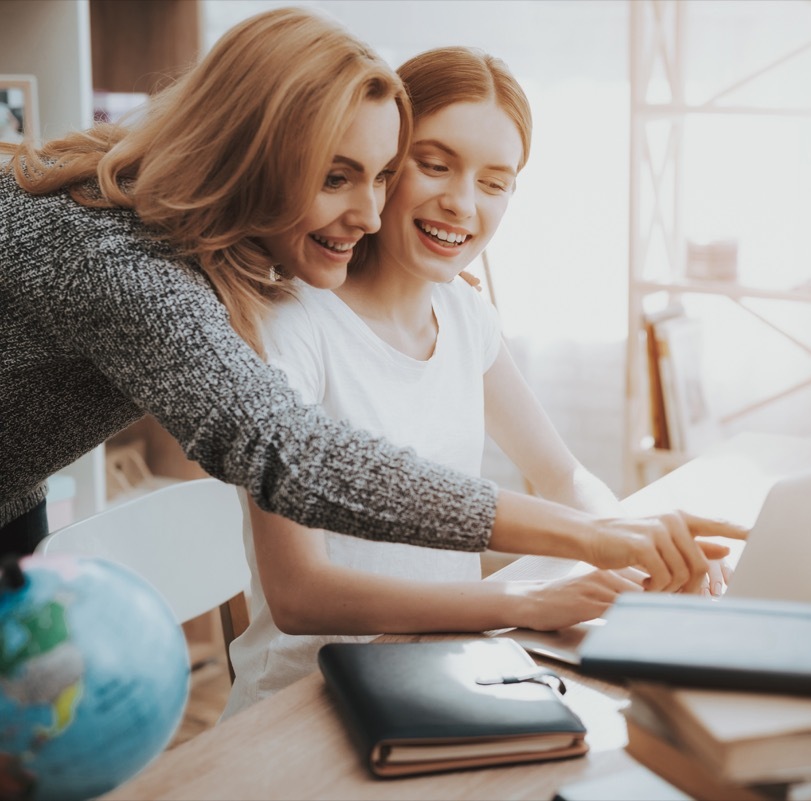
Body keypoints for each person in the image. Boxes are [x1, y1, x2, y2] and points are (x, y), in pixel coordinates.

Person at [0, 7, 742, 588]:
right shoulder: (117, 260)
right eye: (335, 176)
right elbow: (292, 455)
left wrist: (420, 275)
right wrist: (587, 536)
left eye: (383, 176)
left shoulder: (208, 237)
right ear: (248, 154)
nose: (371, 213)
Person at [223, 46, 689, 716]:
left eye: (495, 182)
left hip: (442, 678)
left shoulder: (464, 313)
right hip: (306, 707)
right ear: (383, 163)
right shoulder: (293, 329)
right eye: (435, 165)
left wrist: (646, 548)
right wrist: (517, 601)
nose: (462, 202)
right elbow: (300, 594)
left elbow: (561, 475)